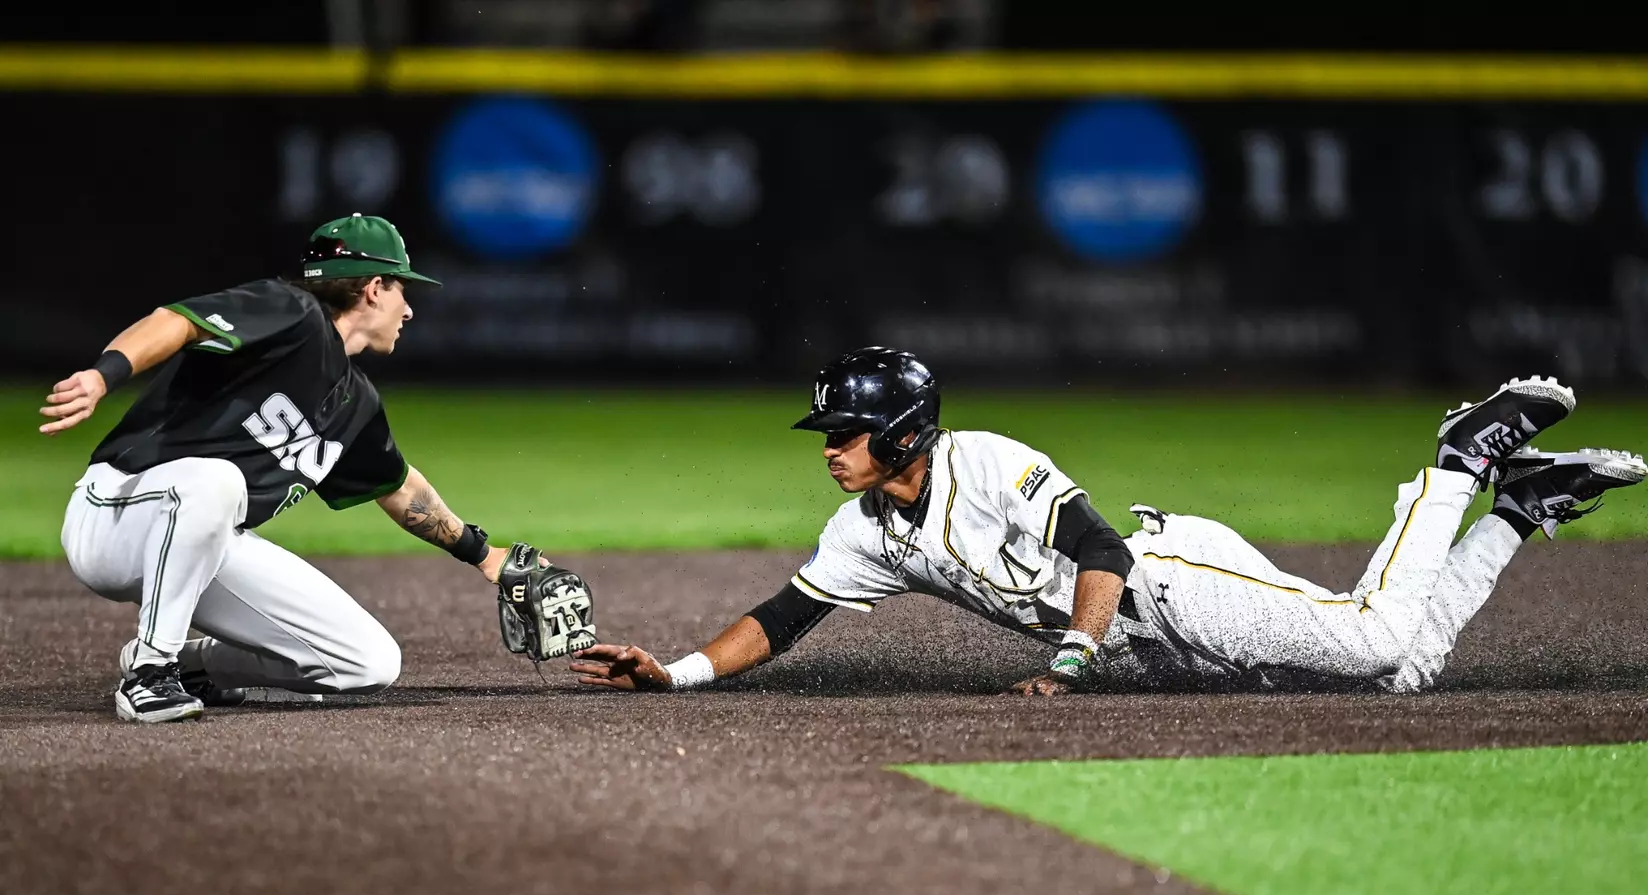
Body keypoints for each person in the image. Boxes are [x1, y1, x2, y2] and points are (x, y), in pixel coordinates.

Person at [569, 347, 1644, 696]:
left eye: (843, 433)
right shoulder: (864, 529)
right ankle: (1516, 508)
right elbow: (782, 616)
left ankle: (1456, 459)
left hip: (1165, 580)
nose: (827, 448)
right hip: (1141, 645)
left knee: (1370, 636)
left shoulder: (985, 461)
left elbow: (1101, 548)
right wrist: (679, 670)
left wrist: (1074, 654)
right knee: (1400, 674)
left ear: (901, 433)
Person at [42, 214, 518, 723]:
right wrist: (102, 374)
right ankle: (149, 672)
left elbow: (398, 488)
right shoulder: (291, 310)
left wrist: (485, 556)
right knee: (220, 480)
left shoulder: (355, 402)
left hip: (200, 543)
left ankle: (192, 665)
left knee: (368, 662)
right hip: (116, 514)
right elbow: (176, 321)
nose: (409, 309)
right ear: (375, 288)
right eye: (403, 289)